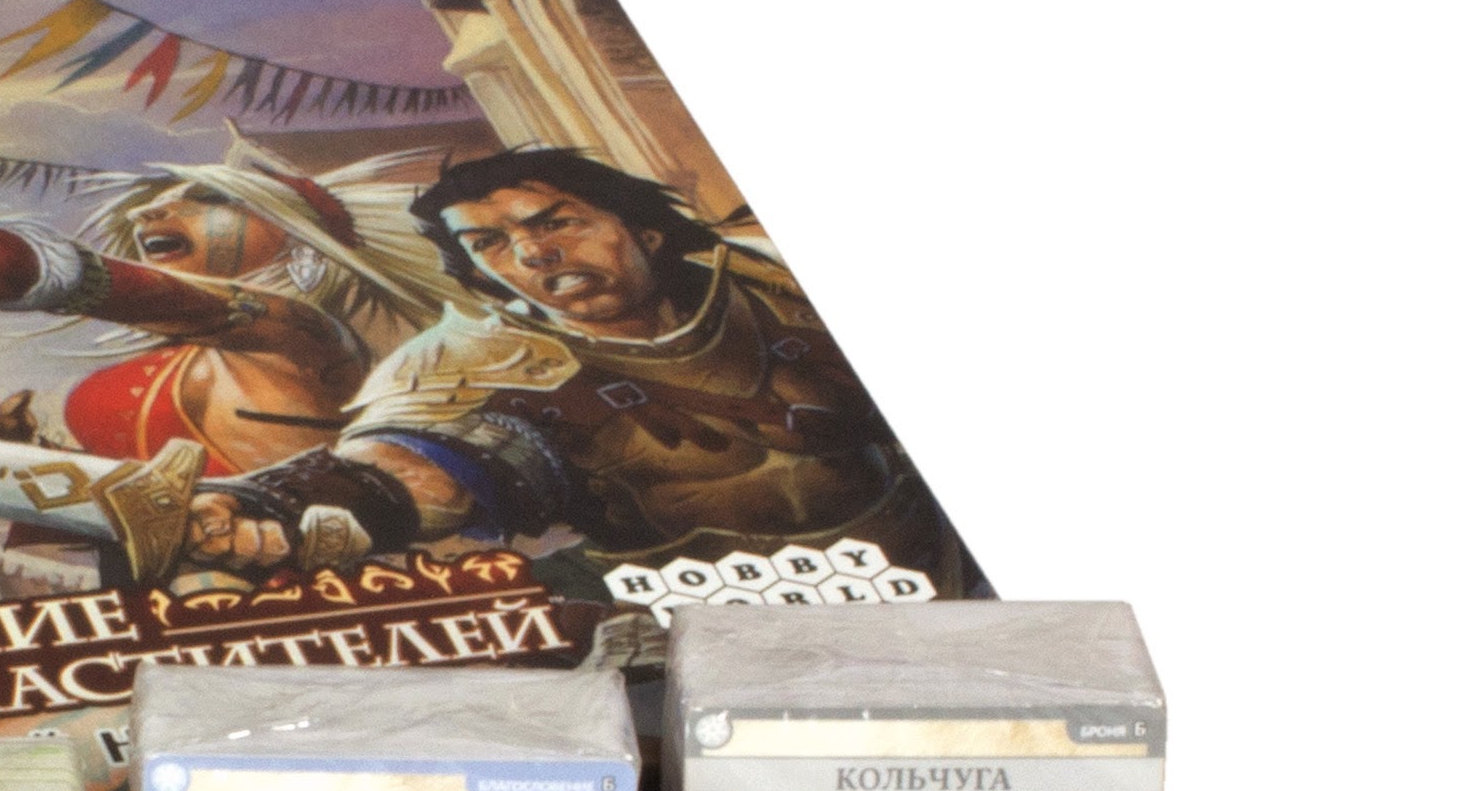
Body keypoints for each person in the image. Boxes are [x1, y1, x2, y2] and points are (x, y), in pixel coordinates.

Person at [178, 148, 978, 590]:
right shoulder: (471, 361)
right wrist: (268, 504)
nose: (533, 253)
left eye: (557, 222)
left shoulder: (776, 281)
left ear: (645, 232)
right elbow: (409, 467)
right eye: (489, 244)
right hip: (696, 626)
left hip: (939, 571)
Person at [0, 154, 476, 472]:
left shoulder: (302, 334)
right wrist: (12, 449)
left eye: (207, 199)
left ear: (301, 244)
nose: (145, 213)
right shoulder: (183, 358)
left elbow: (131, 292)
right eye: (154, 204)